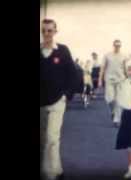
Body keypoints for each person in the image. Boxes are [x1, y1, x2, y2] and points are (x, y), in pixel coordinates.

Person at [40, 19, 77, 180]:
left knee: (52, 138)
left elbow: (73, 74)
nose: (47, 34)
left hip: (57, 101)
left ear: (55, 31)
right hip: (40, 103)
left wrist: (66, 95)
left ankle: (49, 174)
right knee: (43, 140)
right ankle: (58, 169)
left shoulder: (63, 51)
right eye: (44, 31)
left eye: (50, 30)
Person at [99, 39, 127, 127]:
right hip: (109, 79)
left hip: (121, 80)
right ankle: (113, 112)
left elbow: (126, 69)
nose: (117, 47)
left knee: (119, 100)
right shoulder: (107, 55)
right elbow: (102, 68)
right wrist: (100, 79)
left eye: (119, 46)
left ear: (120, 46)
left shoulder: (124, 56)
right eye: (116, 45)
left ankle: (116, 119)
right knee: (110, 99)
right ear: (113, 45)